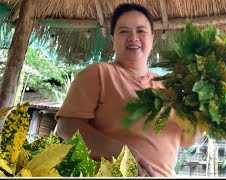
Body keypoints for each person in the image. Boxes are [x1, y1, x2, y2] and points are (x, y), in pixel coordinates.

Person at [55, 3, 202, 177]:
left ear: (152, 38)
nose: (133, 38)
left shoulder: (170, 87)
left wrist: (206, 113)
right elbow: (66, 127)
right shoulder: (99, 73)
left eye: (141, 31)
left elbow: (185, 141)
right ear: (113, 39)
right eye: (124, 31)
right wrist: (118, 151)